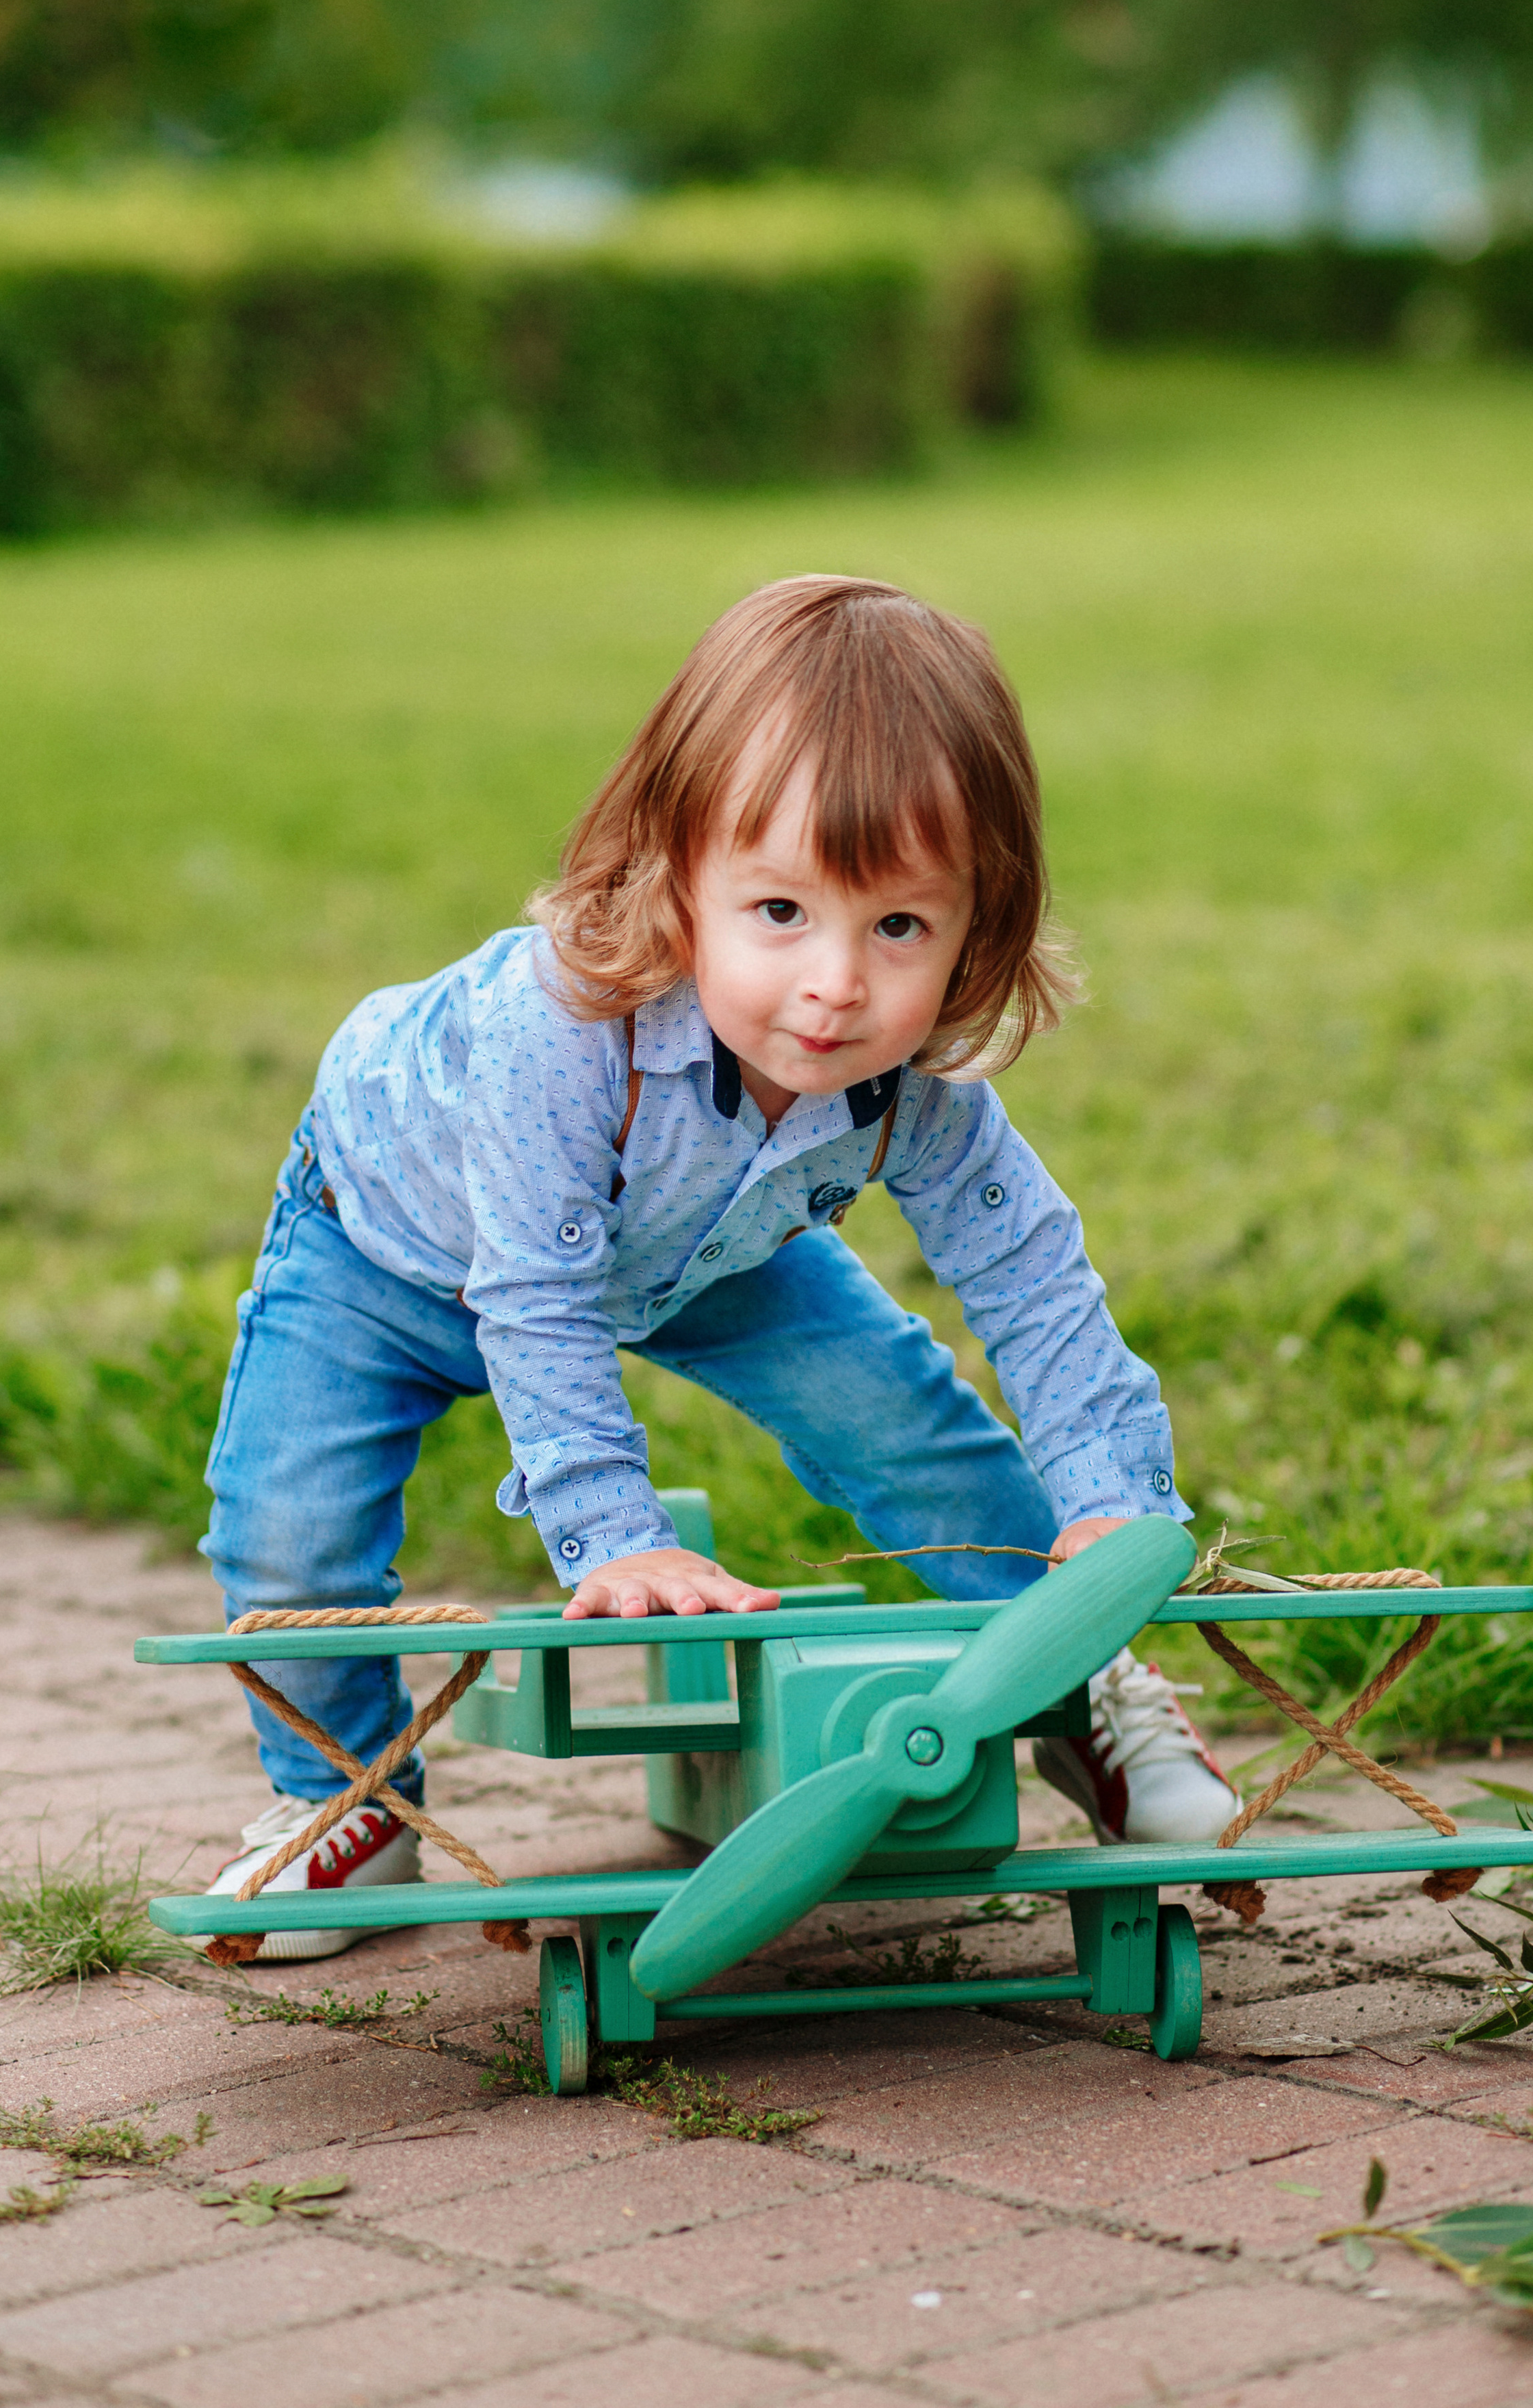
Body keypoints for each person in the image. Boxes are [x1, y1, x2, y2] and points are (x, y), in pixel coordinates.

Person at [197, 575, 1236, 1958]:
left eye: (899, 927)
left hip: (702, 1256)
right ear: (675, 874)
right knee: (288, 1529)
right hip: (386, 1242)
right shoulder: (560, 1030)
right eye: (781, 910)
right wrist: (614, 1533)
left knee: (904, 1420)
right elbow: (536, 1298)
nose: (836, 986)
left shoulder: (910, 1084)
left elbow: (1030, 1274)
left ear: (976, 926)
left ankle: (1077, 1681)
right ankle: (349, 1801)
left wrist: (1111, 1508)